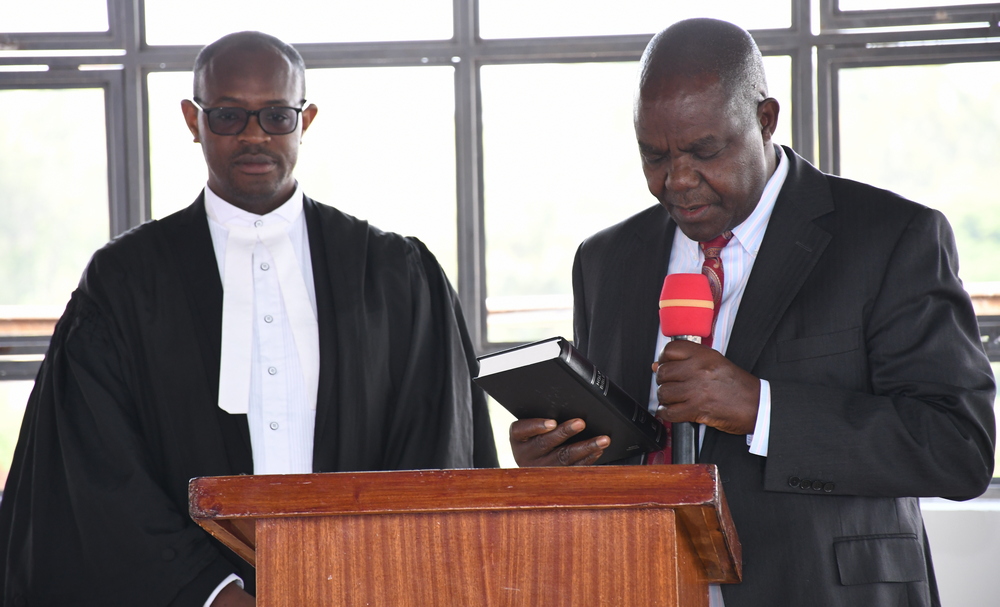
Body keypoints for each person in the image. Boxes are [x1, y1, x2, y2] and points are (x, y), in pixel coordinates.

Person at [0, 31, 497, 607]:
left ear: (306, 120)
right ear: (194, 120)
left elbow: (437, 447)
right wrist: (212, 594)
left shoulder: (392, 273)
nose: (254, 135)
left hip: (368, 589)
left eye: (277, 116)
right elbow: (97, 467)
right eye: (229, 115)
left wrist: (373, 580)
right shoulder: (125, 282)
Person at [510, 18, 995, 607]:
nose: (677, 180)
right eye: (654, 156)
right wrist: (561, 462)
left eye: (704, 151)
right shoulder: (605, 259)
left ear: (765, 120)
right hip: (645, 585)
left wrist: (761, 409)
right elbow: (622, 446)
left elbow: (958, 448)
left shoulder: (891, 237)